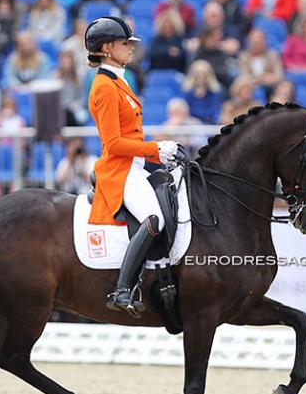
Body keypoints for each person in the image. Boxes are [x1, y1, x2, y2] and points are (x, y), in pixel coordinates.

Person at [85, 16, 178, 316]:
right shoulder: (104, 87)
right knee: (154, 218)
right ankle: (122, 289)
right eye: (125, 44)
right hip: (119, 168)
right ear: (107, 48)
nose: (131, 49)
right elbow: (113, 144)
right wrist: (156, 149)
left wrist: (157, 156)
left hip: (136, 164)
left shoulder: (119, 80)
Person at [181, 58, 222, 124]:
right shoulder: (187, 94)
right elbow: (185, 112)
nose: (200, 77)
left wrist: (201, 119)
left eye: (203, 74)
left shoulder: (214, 94)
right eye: (198, 74)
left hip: (209, 125)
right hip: (192, 126)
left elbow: (215, 113)